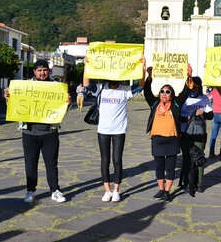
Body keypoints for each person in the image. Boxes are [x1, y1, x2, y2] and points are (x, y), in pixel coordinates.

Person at [4, 59, 71, 204]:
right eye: (39, 70)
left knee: (51, 163)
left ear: (49, 71)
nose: (42, 73)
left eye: (45, 70)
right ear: (34, 71)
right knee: (30, 163)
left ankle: (55, 190)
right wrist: (8, 98)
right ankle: (30, 191)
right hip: (29, 133)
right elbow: (14, 105)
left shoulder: (56, 87)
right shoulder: (24, 86)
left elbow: (62, 110)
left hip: (50, 132)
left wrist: (67, 103)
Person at [83, 57, 145, 203]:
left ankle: (116, 190)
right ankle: (107, 190)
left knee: (117, 160)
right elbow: (86, 84)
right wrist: (86, 65)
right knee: (105, 161)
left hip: (119, 131)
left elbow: (140, 86)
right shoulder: (101, 88)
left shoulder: (124, 90)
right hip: (103, 130)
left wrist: (143, 66)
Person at [144, 66, 193, 203]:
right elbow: (147, 91)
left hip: (172, 140)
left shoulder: (176, 104)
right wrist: (149, 76)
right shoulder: (154, 104)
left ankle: (167, 191)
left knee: (170, 167)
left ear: (172, 94)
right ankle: (161, 189)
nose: (164, 94)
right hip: (157, 140)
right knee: (159, 167)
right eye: (162, 91)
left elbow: (186, 90)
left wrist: (189, 76)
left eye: (168, 92)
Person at [179, 76, 213, 195]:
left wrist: (203, 113)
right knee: (186, 158)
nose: (194, 88)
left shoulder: (204, 98)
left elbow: (211, 115)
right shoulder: (183, 98)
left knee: (198, 158)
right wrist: (187, 118)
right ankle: (186, 181)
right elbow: (177, 116)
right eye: (191, 85)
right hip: (185, 132)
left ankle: (199, 183)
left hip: (199, 133)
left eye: (196, 85)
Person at [207, 87, 221, 159]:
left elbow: (208, 99)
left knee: (213, 135)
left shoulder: (214, 90)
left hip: (215, 113)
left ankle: (211, 152)